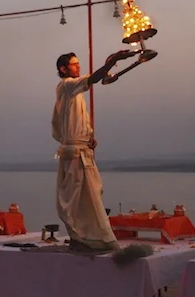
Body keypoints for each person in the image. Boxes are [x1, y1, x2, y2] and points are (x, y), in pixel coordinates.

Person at [52, 50, 136, 252]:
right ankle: (80, 237)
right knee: (73, 199)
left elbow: (73, 121)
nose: (78, 67)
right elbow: (93, 78)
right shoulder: (66, 86)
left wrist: (88, 136)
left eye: (78, 63)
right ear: (63, 69)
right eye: (74, 64)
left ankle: (93, 238)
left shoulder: (75, 93)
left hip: (82, 150)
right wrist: (111, 61)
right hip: (73, 154)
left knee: (91, 196)